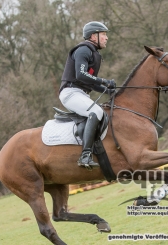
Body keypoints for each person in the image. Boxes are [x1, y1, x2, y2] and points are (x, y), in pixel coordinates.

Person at [59, 21, 116, 170]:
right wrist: (104, 81)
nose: (106, 38)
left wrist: (107, 88)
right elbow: (80, 75)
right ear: (93, 36)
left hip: (81, 93)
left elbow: (89, 82)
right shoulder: (84, 50)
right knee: (95, 111)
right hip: (70, 93)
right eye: (103, 34)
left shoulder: (93, 53)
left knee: (101, 112)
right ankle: (85, 155)